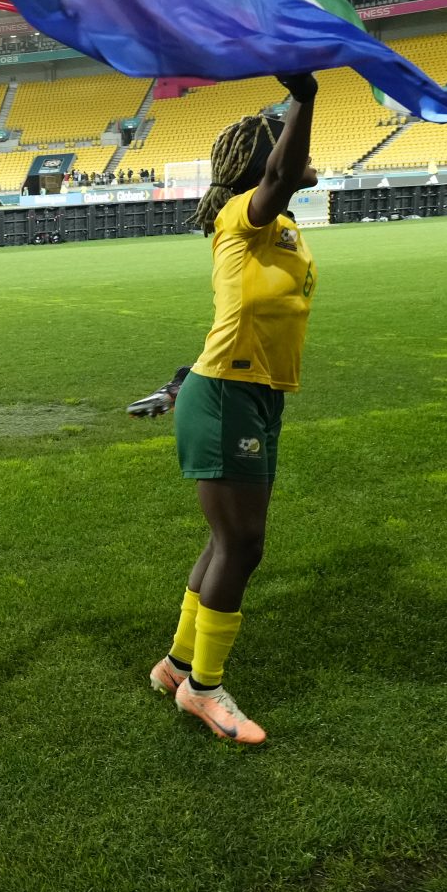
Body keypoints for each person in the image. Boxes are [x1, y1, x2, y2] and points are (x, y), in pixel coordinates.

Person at [124, 72, 321, 746]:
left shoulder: (283, 229)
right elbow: (284, 172)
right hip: (227, 397)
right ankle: (204, 692)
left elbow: (238, 315)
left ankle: (176, 667)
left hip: (255, 396)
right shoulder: (244, 214)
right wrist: (304, 99)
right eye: (287, 152)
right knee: (243, 543)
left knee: (226, 540)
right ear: (269, 166)